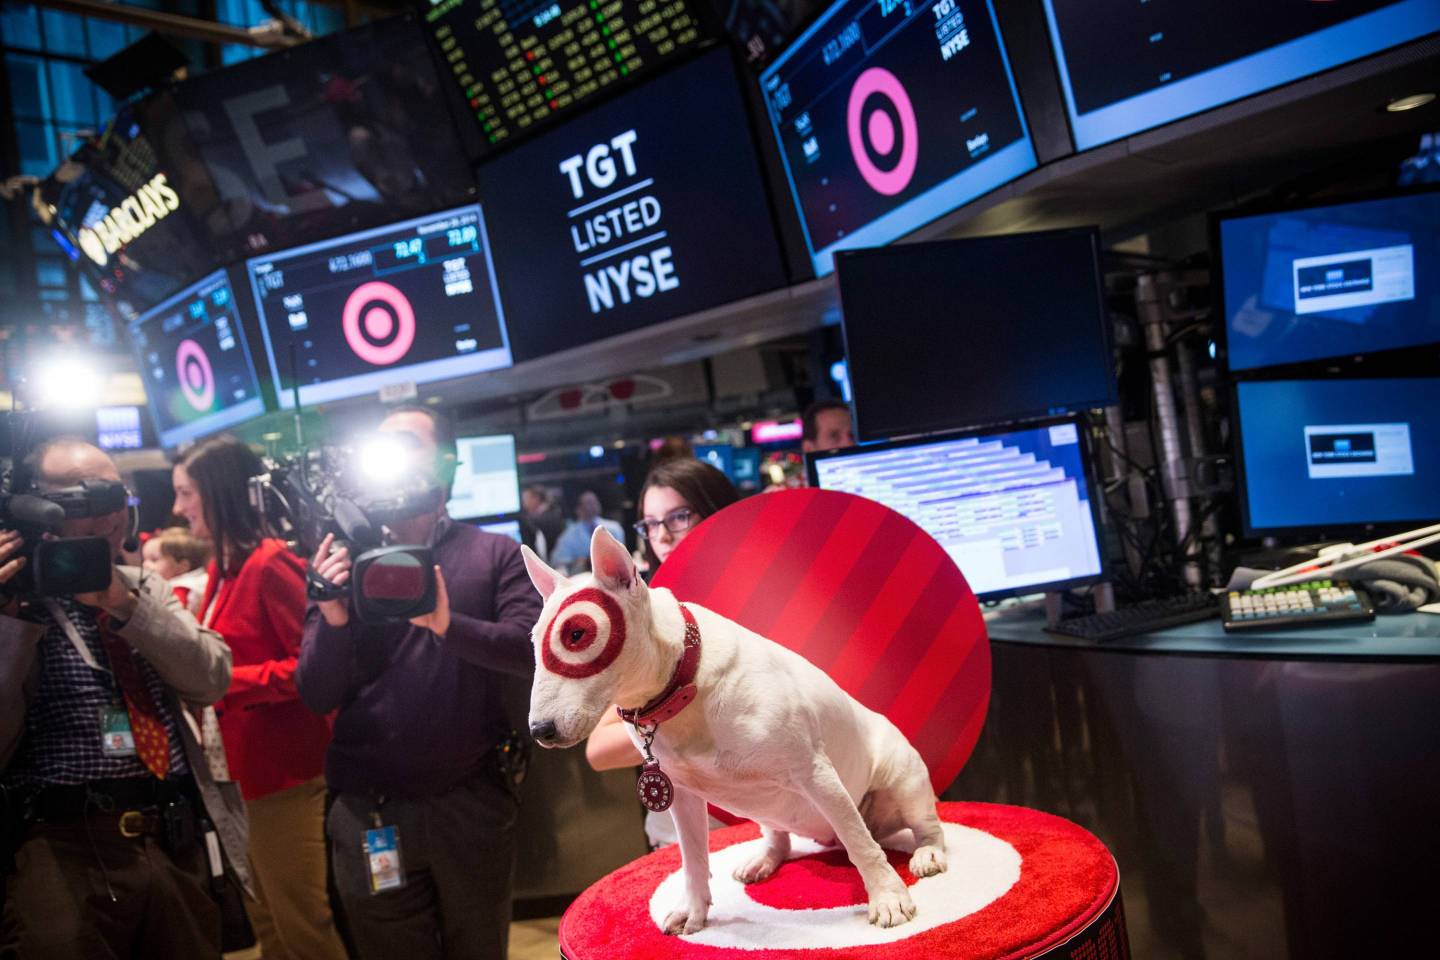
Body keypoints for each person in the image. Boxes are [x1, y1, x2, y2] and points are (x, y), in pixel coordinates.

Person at [298, 405, 542, 960]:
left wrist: (447, 626)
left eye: (410, 443)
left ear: (446, 465)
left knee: (478, 948)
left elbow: (531, 650)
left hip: (469, 800)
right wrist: (333, 619)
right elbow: (315, 693)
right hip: (370, 808)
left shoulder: (494, 553)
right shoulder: (344, 563)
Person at [0, 438, 246, 958]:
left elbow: (211, 678)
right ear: (36, 513)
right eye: (87, 502)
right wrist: (7, 624)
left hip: (169, 836)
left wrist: (123, 604)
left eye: (117, 501)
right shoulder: (13, 603)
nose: (110, 518)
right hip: (57, 846)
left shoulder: (141, 587)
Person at [172, 437, 348, 960]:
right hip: (241, 776)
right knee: (268, 920)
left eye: (186, 493)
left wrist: (225, 681)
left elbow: (315, 666)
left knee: (302, 927)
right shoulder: (221, 571)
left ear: (218, 493)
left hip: (285, 776)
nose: (178, 508)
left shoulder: (269, 564)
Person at [585, 457, 739, 848]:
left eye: (679, 517)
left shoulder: (775, 597)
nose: (663, 536)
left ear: (719, 513)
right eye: (651, 523)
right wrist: (693, 709)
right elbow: (600, 749)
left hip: (782, 821)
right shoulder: (648, 616)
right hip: (682, 837)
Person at [549, 489, 626, 573]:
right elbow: (557, 561)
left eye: (595, 501)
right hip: (583, 578)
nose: (594, 505)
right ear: (578, 509)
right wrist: (581, 562)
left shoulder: (614, 528)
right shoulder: (568, 535)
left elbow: (622, 556)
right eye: (589, 502)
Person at [142, 526, 212, 615]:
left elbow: (171, 618)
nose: (145, 565)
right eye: (144, 559)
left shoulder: (181, 589)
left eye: (154, 560)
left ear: (183, 566)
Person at [520, 484, 565, 561]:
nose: (524, 504)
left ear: (536, 498)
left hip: (552, 561)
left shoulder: (539, 520)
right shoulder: (555, 512)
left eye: (526, 499)